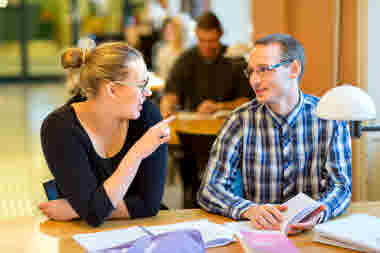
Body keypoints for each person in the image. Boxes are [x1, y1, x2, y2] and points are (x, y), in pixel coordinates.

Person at [197, 33, 352, 234]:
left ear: (294, 69)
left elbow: (341, 187)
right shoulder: (239, 120)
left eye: (263, 70)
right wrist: (249, 210)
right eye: (251, 72)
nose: (254, 80)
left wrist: (318, 213)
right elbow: (209, 190)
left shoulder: (331, 118)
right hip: (257, 235)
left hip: (313, 236)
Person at [39, 42, 175, 227]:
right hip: (80, 236)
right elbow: (94, 214)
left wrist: (74, 209)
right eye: (141, 85)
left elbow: (149, 205)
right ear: (112, 90)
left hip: (142, 231)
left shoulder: (147, 115)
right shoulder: (59, 128)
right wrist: (137, 154)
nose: (149, 92)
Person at [160, 11, 254, 117]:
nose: (207, 46)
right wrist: (167, 106)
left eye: (212, 41)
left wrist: (219, 106)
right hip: (192, 124)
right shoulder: (185, 60)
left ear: (221, 34)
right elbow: (171, 93)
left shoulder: (235, 59)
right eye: (202, 40)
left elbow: (248, 101)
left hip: (229, 125)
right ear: (196, 34)